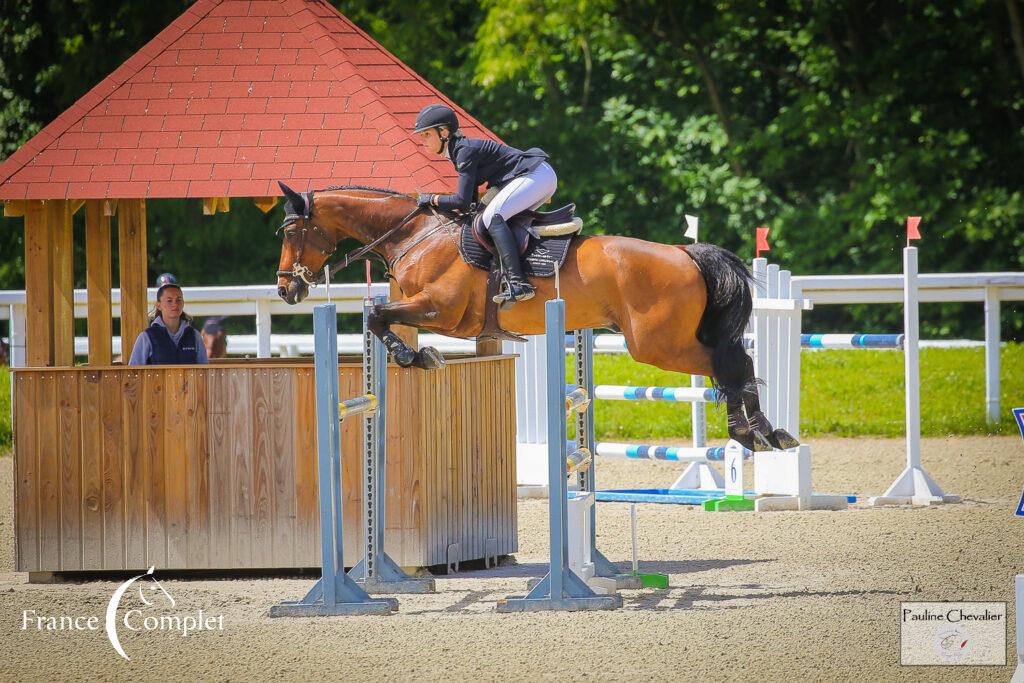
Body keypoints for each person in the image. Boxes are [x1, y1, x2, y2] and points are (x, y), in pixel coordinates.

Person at [412, 103, 556, 306]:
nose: (421, 141)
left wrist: (432, 199)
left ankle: (518, 283)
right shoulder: (459, 151)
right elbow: (469, 204)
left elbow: (461, 201)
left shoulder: (464, 152)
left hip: (536, 175)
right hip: (535, 177)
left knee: (493, 217)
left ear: (443, 132)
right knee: (487, 217)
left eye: (426, 134)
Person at [128, 281, 208, 366]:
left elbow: (204, 371)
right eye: (169, 301)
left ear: (183, 303)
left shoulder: (195, 336)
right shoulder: (146, 337)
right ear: (158, 305)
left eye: (179, 300)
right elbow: (134, 372)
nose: (175, 304)